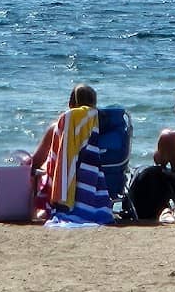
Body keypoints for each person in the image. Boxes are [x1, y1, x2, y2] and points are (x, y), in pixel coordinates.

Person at [29, 83, 115, 224]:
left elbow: (36, 161)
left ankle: (39, 209)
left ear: (70, 104)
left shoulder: (59, 128)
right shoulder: (104, 129)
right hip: (100, 187)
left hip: (64, 191)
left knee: (35, 167)